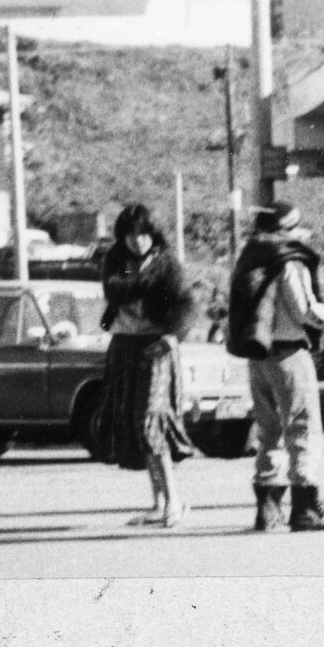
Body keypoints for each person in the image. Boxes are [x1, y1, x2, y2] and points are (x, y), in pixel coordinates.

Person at [226, 201, 324, 532]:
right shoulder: (289, 260)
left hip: (258, 354)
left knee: (268, 431)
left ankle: (267, 509)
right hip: (290, 355)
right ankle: (306, 509)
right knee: (303, 428)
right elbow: (303, 310)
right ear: (286, 228)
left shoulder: (250, 256)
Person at [98, 203, 197, 528]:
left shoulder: (167, 262)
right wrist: (142, 278)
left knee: (150, 425)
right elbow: (114, 290)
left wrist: (173, 337)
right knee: (134, 426)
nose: (137, 240)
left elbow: (186, 305)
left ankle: (175, 503)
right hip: (125, 345)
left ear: (152, 234)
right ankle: (159, 504)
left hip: (156, 346)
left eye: (143, 233)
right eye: (130, 234)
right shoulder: (117, 259)